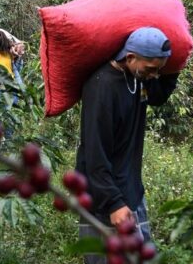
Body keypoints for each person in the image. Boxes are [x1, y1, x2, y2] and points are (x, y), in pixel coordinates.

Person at [76, 27, 179, 264]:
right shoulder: (102, 87)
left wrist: (173, 69)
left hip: (131, 190)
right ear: (130, 57)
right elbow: (95, 154)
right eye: (151, 69)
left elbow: (157, 96)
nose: (154, 75)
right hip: (103, 198)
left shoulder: (136, 76)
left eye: (158, 70)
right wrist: (114, 204)